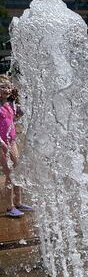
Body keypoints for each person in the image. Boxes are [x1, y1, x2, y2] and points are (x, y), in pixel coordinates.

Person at [0, 76, 31, 218]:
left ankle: (18, 202)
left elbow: (12, 122)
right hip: (2, 144)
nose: (7, 89)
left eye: (8, 86)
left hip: (11, 143)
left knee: (17, 170)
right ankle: (9, 207)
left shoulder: (10, 105)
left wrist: (18, 116)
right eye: (3, 86)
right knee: (9, 174)